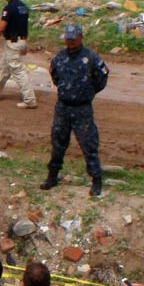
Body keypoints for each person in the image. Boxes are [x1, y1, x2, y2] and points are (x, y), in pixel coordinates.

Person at [42, 24, 110, 197]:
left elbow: (102, 78)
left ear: (80, 37)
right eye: (68, 38)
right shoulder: (59, 57)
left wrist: (88, 92)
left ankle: (96, 180)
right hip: (63, 107)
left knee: (89, 145)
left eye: (73, 38)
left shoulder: (91, 58)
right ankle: (52, 176)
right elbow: (55, 76)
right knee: (58, 143)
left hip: (82, 109)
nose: (70, 41)